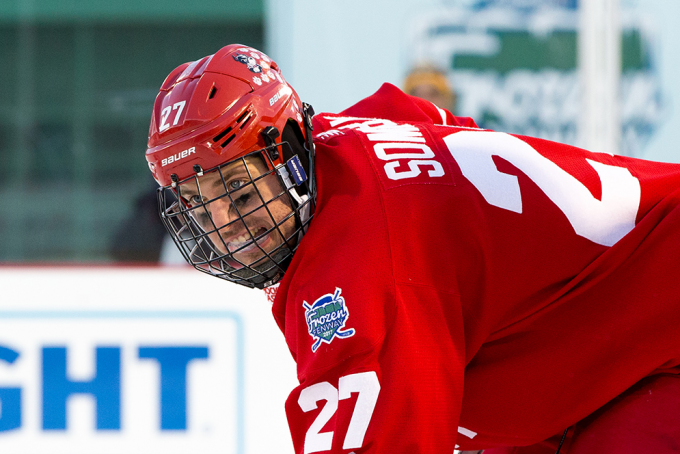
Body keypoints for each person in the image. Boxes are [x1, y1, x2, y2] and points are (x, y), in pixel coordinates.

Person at [144, 44, 680, 454]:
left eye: (237, 189)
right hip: (613, 354)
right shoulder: (340, 136)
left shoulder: (359, 272)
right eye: (196, 199)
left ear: (286, 151)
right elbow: (412, 113)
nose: (222, 221)